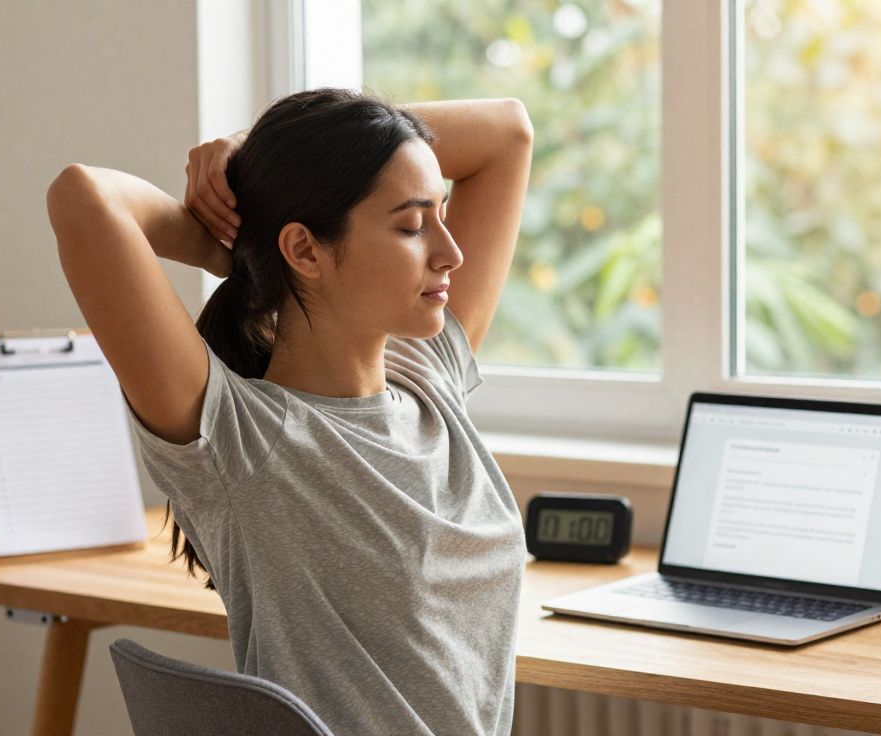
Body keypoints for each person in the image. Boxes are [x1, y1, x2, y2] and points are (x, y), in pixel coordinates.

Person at [46, 88, 533, 735]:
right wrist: (220, 243)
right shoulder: (242, 442)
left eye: (443, 215)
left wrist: (253, 153)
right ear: (304, 251)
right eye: (413, 226)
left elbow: (510, 133)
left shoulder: (429, 378)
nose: (451, 252)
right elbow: (83, 197)